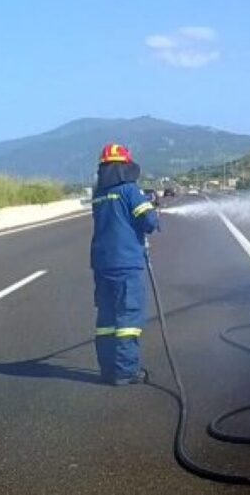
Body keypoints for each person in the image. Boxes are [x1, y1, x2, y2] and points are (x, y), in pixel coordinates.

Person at [90, 143, 160, 385]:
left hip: (101, 264)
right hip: (126, 265)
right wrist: (152, 209)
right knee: (128, 319)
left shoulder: (98, 194)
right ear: (126, 166)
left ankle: (108, 369)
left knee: (107, 319)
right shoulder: (130, 190)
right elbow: (149, 222)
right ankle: (126, 372)